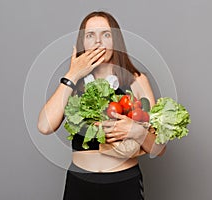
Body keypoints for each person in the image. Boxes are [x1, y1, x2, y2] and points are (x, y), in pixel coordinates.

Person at [37, 11, 166, 200]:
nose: (98, 42)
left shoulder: (136, 80)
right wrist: (72, 74)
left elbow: (159, 148)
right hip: (80, 182)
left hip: (124, 183)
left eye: (106, 34)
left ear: (116, 40)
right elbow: (44, 126)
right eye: (90, 35)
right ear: (83, 43)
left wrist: (136, 131)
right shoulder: (74, 84)